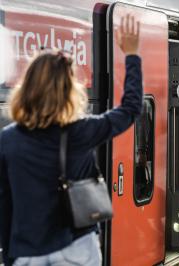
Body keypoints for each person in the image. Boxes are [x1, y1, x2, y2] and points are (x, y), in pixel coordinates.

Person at [0, 14, 142, 266]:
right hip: (77, 247)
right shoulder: (81, 131)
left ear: (27, 87)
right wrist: (131, 55)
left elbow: (5, 201)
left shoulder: (7, 140)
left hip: (28, 251)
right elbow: (130, 109)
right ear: (69, 90)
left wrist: (10, 256)